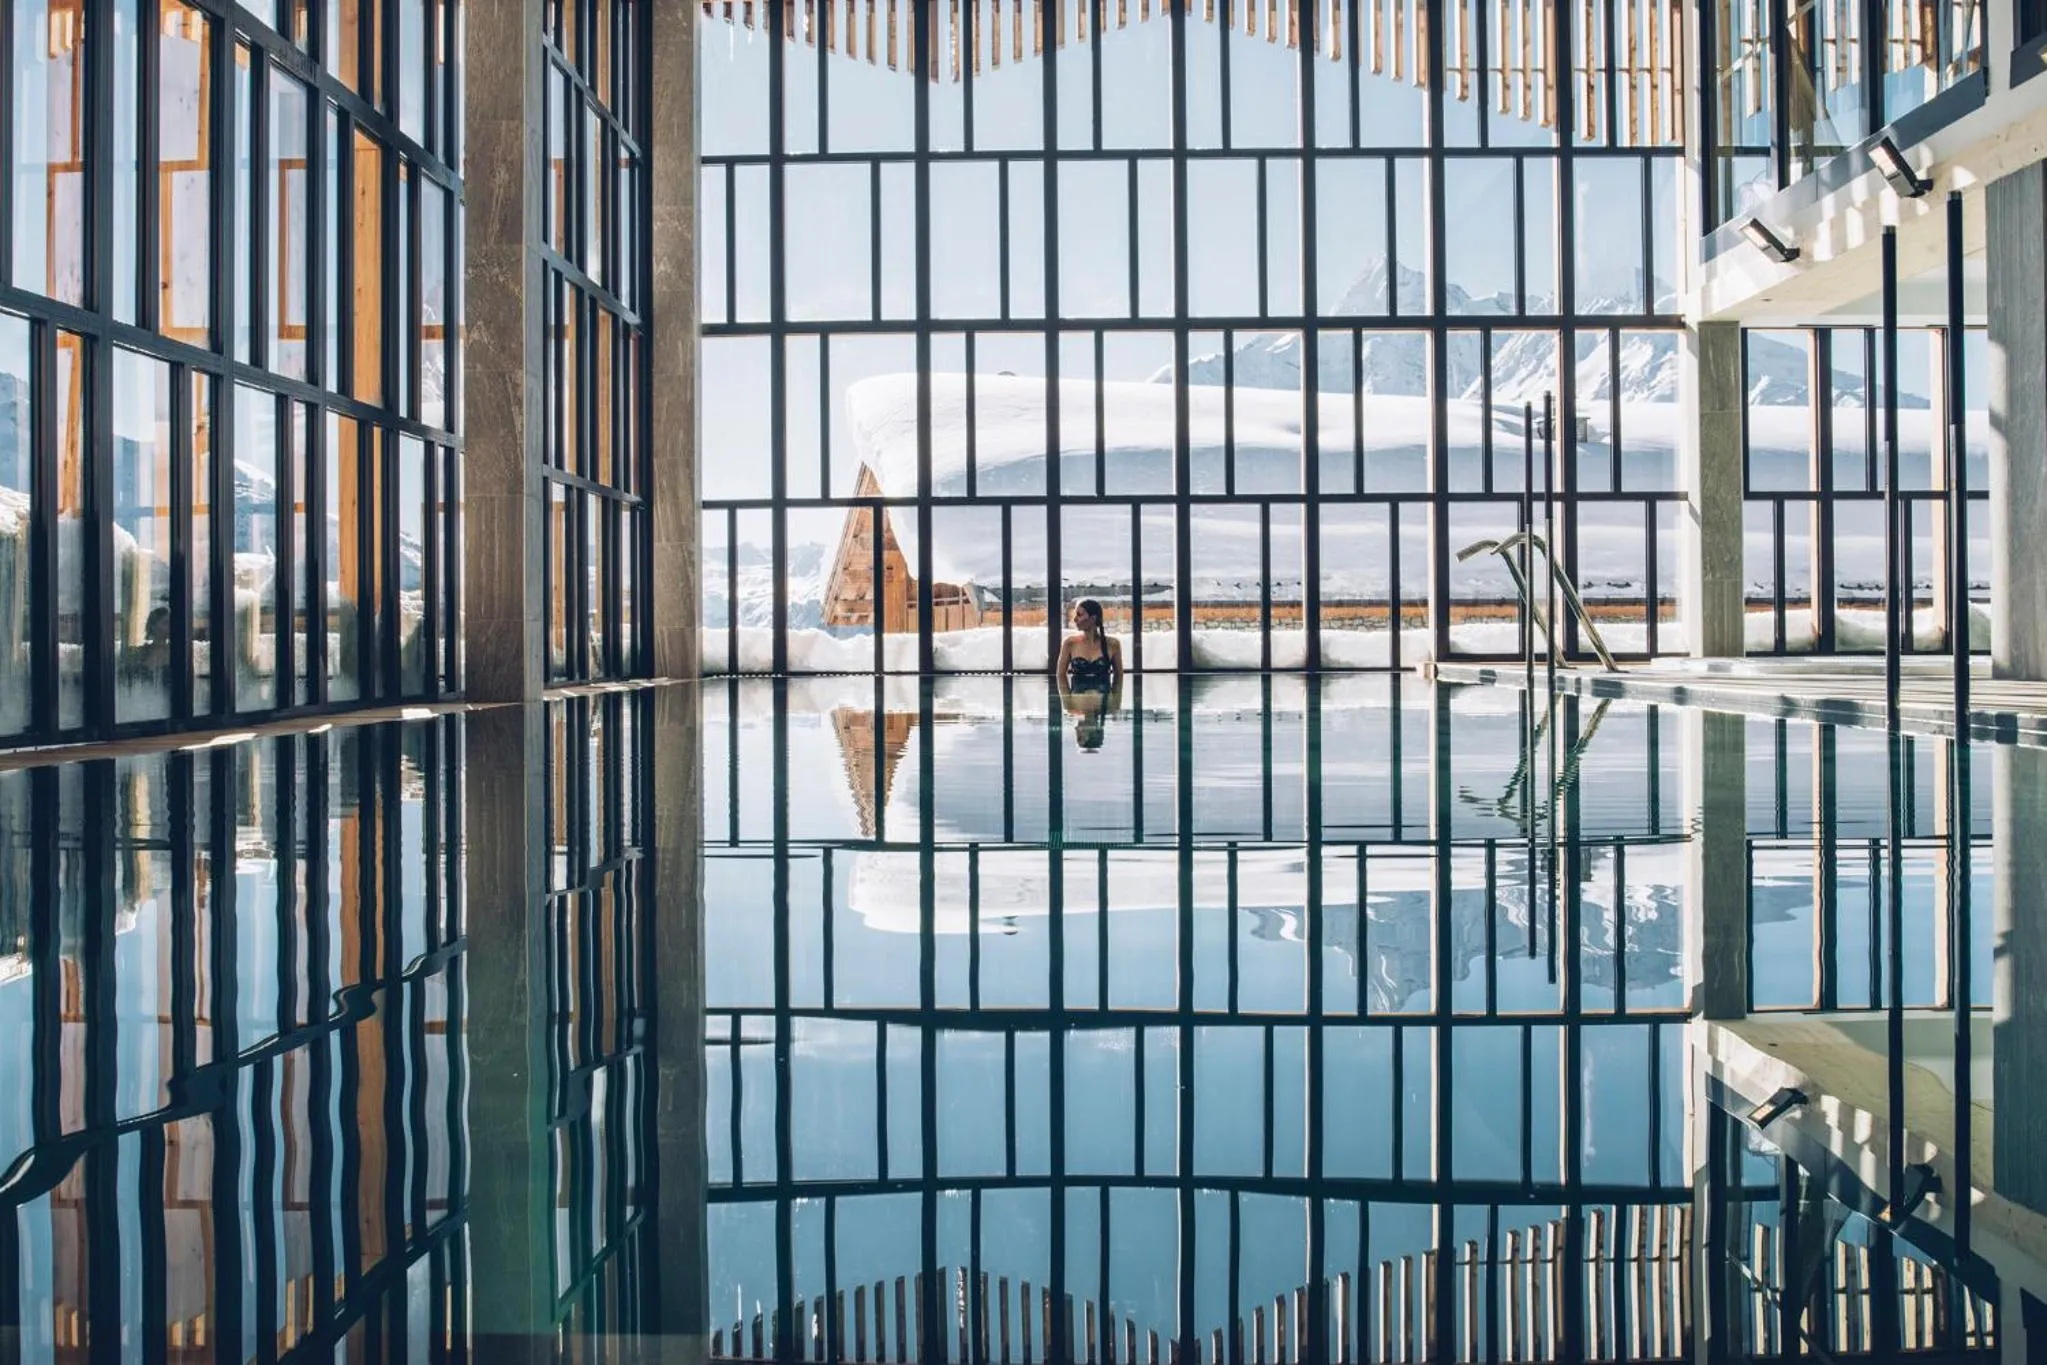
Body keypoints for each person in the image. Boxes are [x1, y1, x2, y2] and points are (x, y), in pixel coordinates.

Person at [1054, 599, 1123, 751]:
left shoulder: (1112, 644)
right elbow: (1060, 676)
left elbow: (1119, 678)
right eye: (1080, 735)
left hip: (1103, 690)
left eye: (1079, 614)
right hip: (1081, 688)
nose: (1075, 619)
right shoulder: (1070, 643)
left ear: (1093, 618)